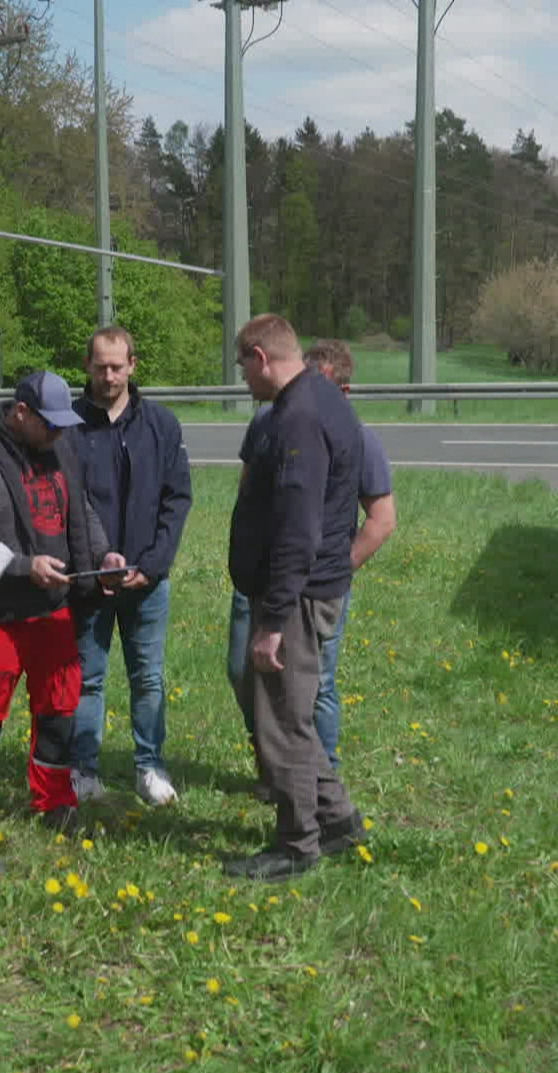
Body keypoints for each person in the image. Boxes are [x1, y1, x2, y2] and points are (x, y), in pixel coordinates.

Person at [0, 369, 125, 831]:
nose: (59, 432)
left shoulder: (60, 450)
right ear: (21, 413)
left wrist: (104, 554)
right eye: (50, 423)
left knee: (60, 711)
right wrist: (25, 565)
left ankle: (54, 803)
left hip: (54, 611)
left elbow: (81, 512)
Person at [225, 315, 365, 881]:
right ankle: (338, 820)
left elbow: (299, 530)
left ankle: (296, 842)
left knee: (280, 718)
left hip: (299, 597)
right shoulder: (322, 400)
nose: (243, 378)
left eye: (243, 365)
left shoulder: (299, 418)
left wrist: (273, 620)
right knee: (294, 714)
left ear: (261, 356)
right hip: (311, 589)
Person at [227, 340, 396, 775]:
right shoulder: (267, 422)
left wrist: (330, 571)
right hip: (262, 579)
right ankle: (274, 767)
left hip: (314, 588)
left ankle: (323, 779)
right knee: (243, 671)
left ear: (343, 393)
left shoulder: (358, 437)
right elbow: (248, 495)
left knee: (313, 685)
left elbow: (381, 520)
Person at [69, 327, 194, 806]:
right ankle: (83, 771)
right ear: (88, 366)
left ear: (133, 366)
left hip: (147, 580)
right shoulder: (70, 425)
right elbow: (68, 503)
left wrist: (156, 564)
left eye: (117, 366)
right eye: (100, 366)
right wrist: (93, 562)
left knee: (148, 677)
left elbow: (176, 499)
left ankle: (149, 766)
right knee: (88, 679)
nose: (108, 375)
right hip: (90, 580)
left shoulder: (162, 425)